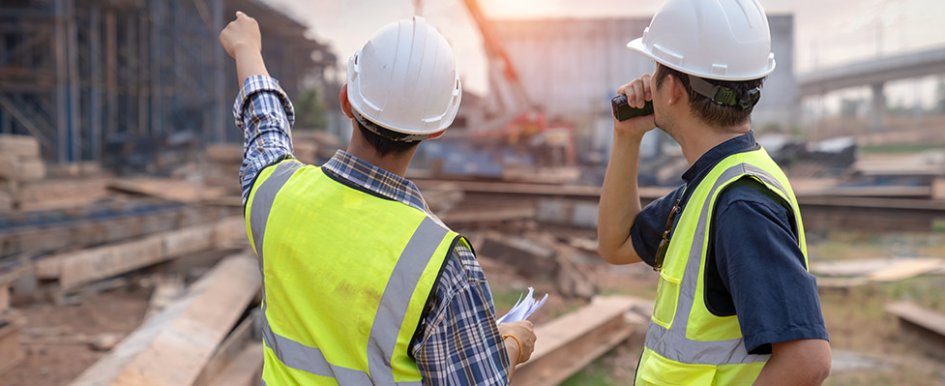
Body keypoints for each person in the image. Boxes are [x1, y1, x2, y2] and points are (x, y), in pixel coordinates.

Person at [219, 12, 535, 385]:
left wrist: (246, 49)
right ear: (438, 130)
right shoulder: (445, 262)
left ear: (346, 101)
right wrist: (512, 342)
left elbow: (264, 126)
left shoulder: (274, 194)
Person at [596, 0, 831, 385]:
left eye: (656, 67)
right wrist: (627, 137)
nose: (648, 79)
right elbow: (615, 243)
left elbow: (808, 360)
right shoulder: (714, 182)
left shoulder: (740, 203)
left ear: (670, 88)